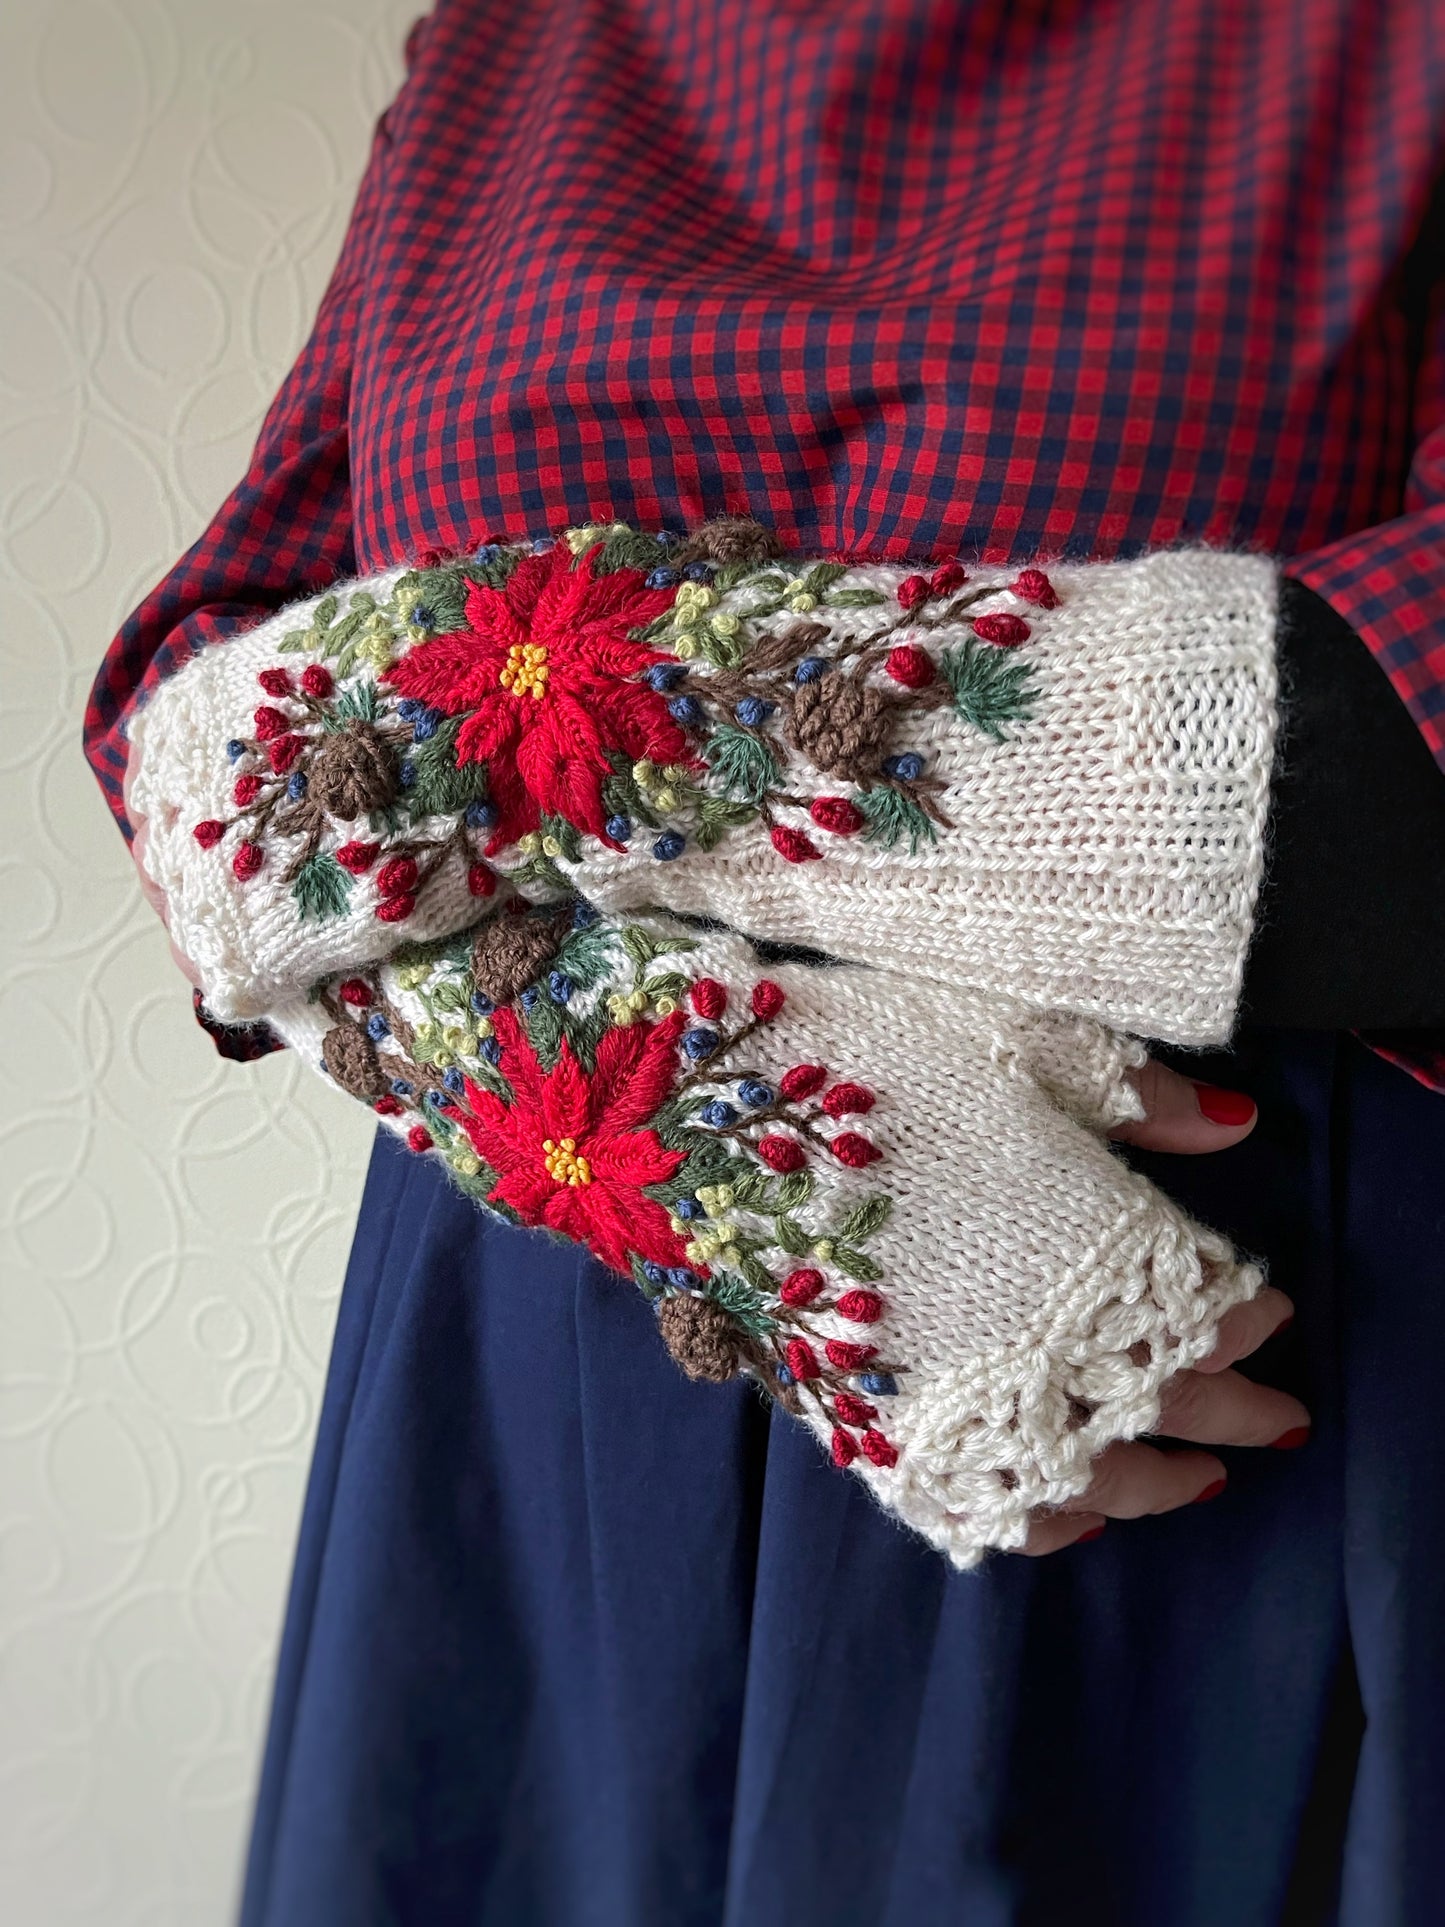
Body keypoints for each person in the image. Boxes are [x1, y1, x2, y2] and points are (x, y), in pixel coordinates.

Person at [89, 3, 1445, 1921]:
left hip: (1214, 1363)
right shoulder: (512, 41)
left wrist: (482, 734)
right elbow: (192, 721)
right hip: (545, 1318)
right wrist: (660, 1111)